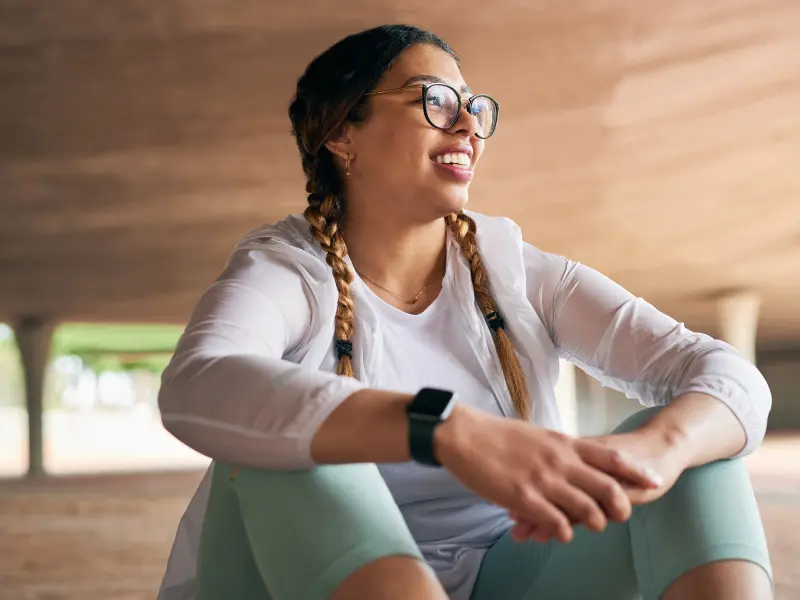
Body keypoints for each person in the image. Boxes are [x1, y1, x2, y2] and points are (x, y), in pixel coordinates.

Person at [156, 24, 773, 600]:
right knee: (284, 451)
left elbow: (726, 374)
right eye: (436, 103)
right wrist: (445, 428)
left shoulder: (520, 273)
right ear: (344, 134)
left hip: (511, 565)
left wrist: (656, 453)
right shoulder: (288, 269)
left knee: (698, 457)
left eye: (474, 109)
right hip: (297, 574)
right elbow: (198, 381)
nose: (468, 129)